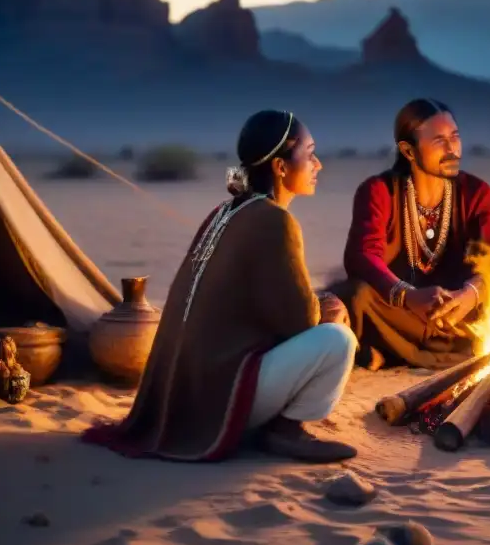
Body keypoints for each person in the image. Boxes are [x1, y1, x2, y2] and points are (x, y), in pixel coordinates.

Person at [82, 110, 359, 463]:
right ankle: (286, 431)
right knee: (337, 339)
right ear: (280, 166)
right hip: (220, 402)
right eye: (310, 152)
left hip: (181, 398)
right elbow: (301, 322)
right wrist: (326, 309)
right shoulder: (275, 220)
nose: (318, 164)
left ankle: (272, 421)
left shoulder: (224, 211)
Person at [329, 98, 490, 369]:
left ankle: (391, 353)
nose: (452, 149)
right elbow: (362, 257)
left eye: (455, 137)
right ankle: (425, 354)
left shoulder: (476, 192)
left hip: (459, 315)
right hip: (402, 313)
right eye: (439, 141)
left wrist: (470, 295)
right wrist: (407, 296)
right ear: (409, 151)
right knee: (356, 296)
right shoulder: (379, 191)